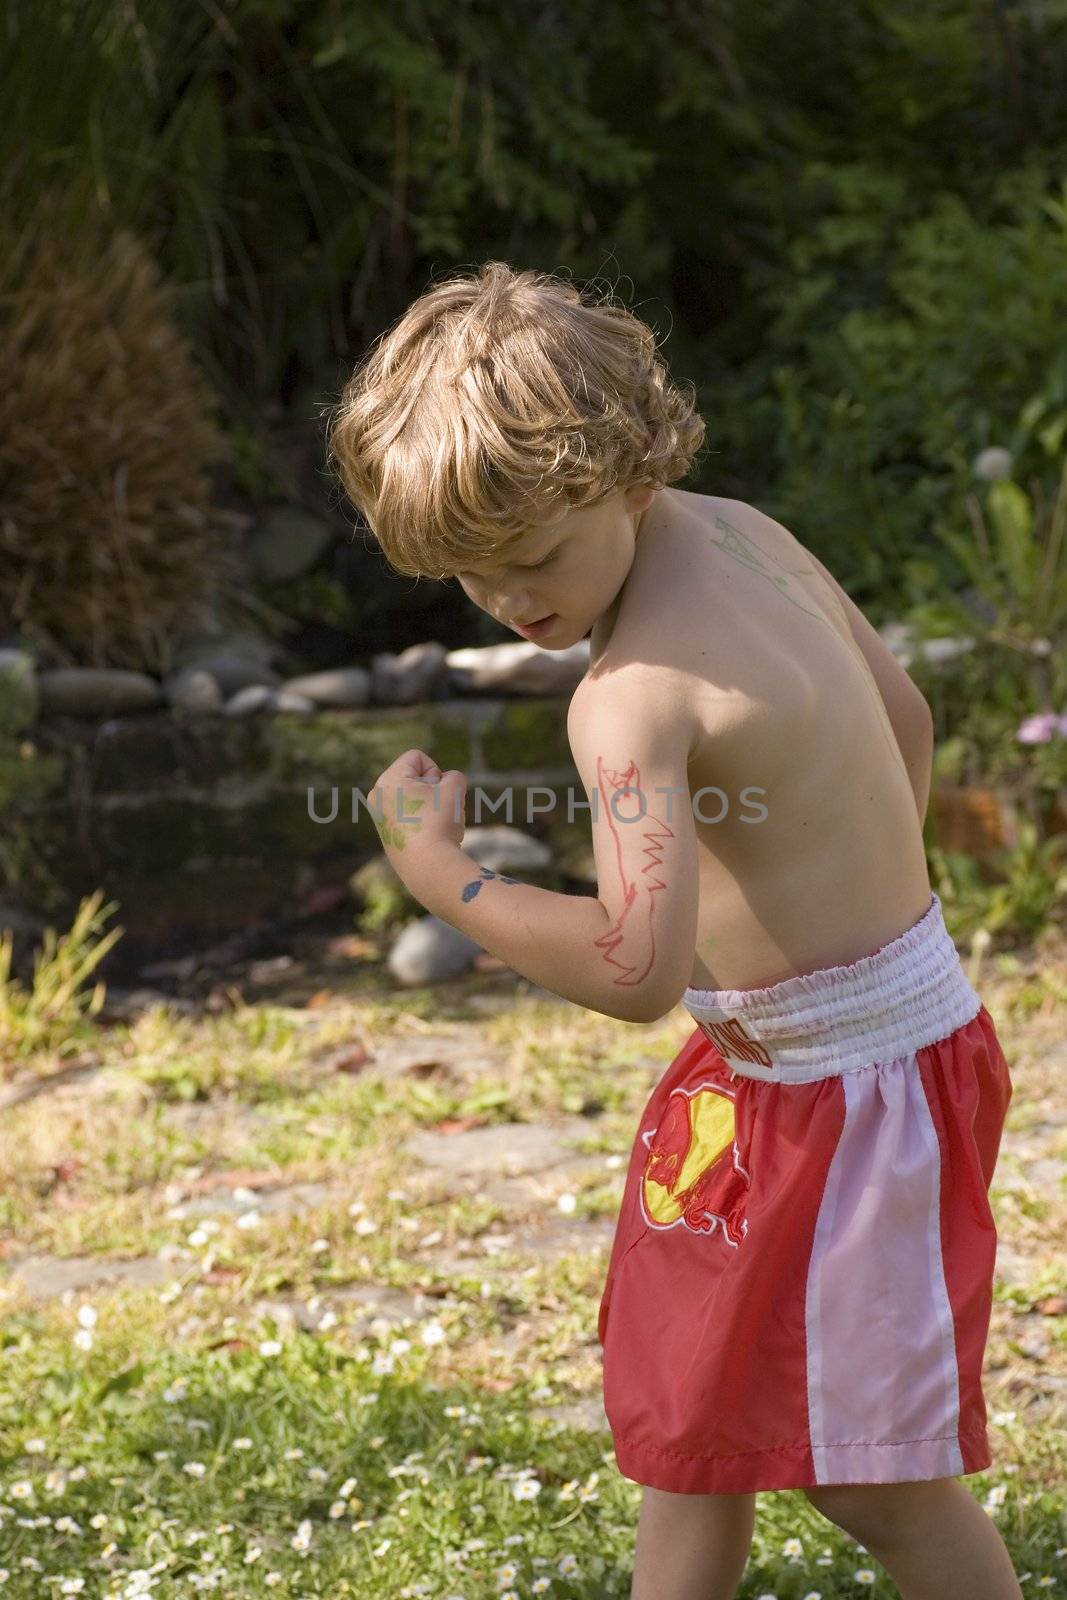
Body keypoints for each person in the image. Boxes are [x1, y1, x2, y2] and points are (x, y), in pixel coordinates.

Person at [327, 260, 1022, 1600]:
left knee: (870, 1475)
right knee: (693, 1409)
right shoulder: (748, 532)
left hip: (848, 1095)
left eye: (533, 557)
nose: (512, 603)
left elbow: (635, 969)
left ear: (624, 464)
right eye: (470, 577)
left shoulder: (629, 700)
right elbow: (907, 724)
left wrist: (448, 882)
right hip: (843, 1053)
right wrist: (840, 908)